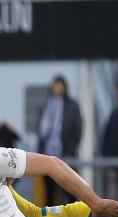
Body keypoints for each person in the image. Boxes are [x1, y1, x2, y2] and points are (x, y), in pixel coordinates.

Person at [37, 75, 82, 206]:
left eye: (59, 85)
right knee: (49, 193)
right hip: (47, 155)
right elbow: (41, 132)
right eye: (55, 85)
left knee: (69, 190)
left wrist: (71, 151)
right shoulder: (46, 106)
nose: (57, 88)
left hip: (65, 155)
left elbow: (77, 130)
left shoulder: (72, 106)